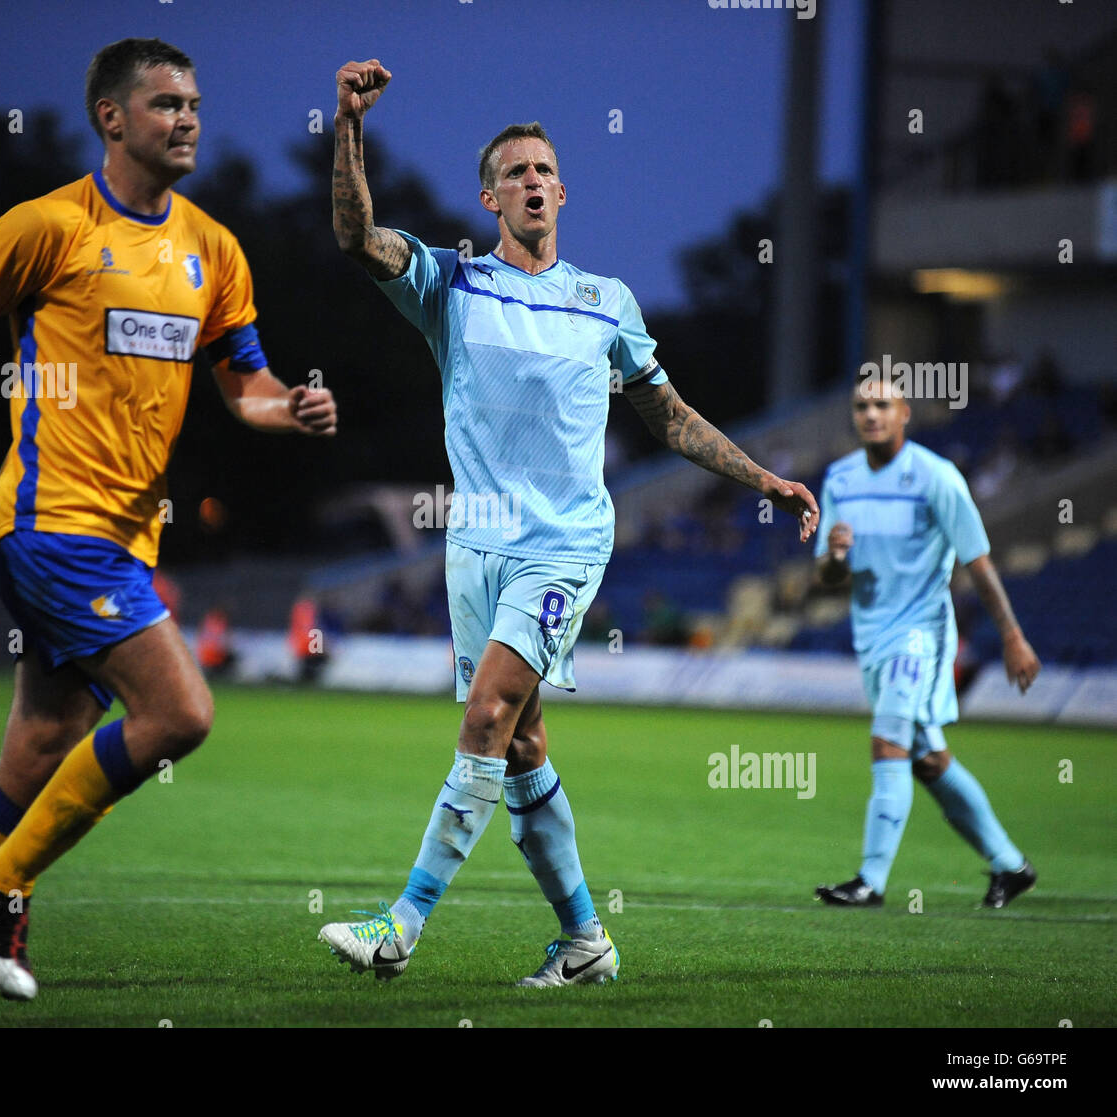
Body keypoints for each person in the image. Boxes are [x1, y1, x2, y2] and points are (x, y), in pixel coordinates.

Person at [0, 37, 337, 1028]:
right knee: (180, 713)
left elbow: (242, 386)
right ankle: (4, 883)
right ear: (111, 119)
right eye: (164, 103)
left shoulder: (215, 249)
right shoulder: (51, 226)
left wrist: (288, 406)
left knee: (38, 747)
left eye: (195, 103)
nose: (188, 119)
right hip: (48, 522)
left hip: (125, 543)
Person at [319, 59, 819, 986]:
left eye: (546, 169)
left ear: (564, 190)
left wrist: (762, 475)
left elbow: (666, 416)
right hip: (474, 551)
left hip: (563, 546)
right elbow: (356, 238)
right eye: (516, 172)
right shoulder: (450, 286)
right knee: (523, 749)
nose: (534, 181)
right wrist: (349, 128)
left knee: (486, 715)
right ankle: (587, 939)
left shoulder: (607, 303)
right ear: (489, 197)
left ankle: (402, 922)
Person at [814, 377, 1040, 910]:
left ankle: (869, 880)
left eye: (882, 405)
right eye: (862, 406)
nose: (871, 415)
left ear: (904, 413)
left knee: (888, 740)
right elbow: (825, 576)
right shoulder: (840, 479)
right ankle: (1011, 865)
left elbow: (977, 561)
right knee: (928, 759)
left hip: (921, 634)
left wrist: (1011, 634)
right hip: (871, 633)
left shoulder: (936, 477)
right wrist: (834, 558)